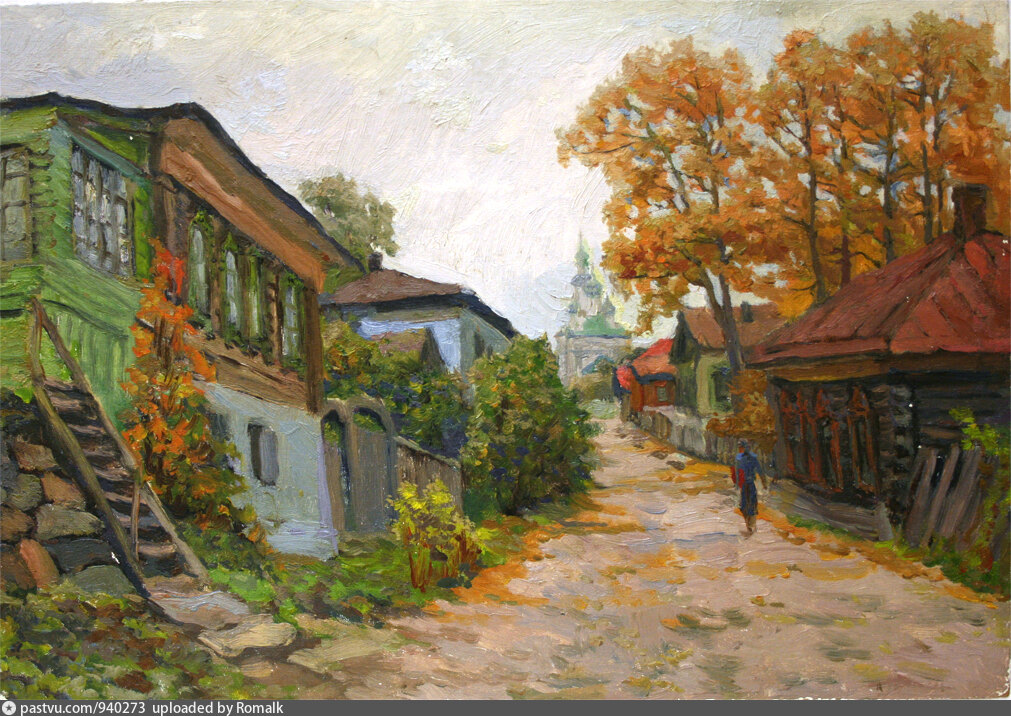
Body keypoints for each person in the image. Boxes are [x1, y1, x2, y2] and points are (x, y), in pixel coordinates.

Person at [734, 439, 767, 535]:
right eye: (739, 447)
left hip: (750, 483)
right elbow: (737, 471)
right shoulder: (739, 458)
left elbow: (759, 470)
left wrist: (764, 482)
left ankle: (751, 524)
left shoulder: (753, 457)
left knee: (752, 504)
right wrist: (737, 483)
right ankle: (748, 524)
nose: (739, 449)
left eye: (741, 447)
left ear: (745, 447)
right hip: (743, 485)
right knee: (743, 506)